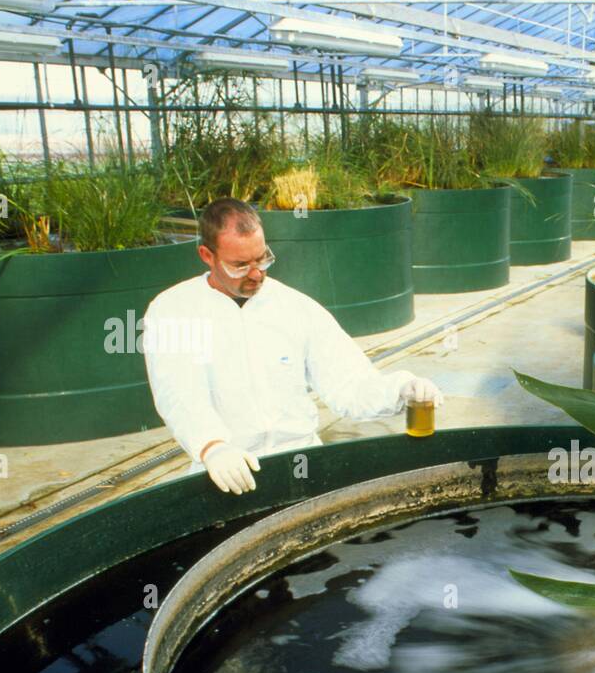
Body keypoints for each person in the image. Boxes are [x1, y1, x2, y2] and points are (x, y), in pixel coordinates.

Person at [143, 197, 441, 495]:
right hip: (228, 470)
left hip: (302, 464)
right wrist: (212, 446)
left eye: (262, 259)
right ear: (207, 255)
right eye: (240, 265)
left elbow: (348, 382)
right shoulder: (174, 311)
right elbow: (179, 394)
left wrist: (400, 389)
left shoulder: (294, 307)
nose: (256, 273)